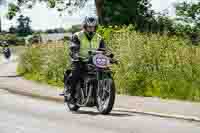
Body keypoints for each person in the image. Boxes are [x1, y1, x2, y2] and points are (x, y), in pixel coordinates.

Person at [61, 16, 107, 103]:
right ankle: (71, 93)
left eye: (93, 27)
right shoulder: (78, 35)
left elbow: (103, 50)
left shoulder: (99, 38)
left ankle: (98, 93)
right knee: (77, 70)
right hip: (80, 59)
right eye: (89, 27)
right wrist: (75, 54)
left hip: (94, 61)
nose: (91, 29)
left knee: (104, 70)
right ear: (85, 26)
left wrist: (108, 57)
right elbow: (73, 47)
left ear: (95, 27)